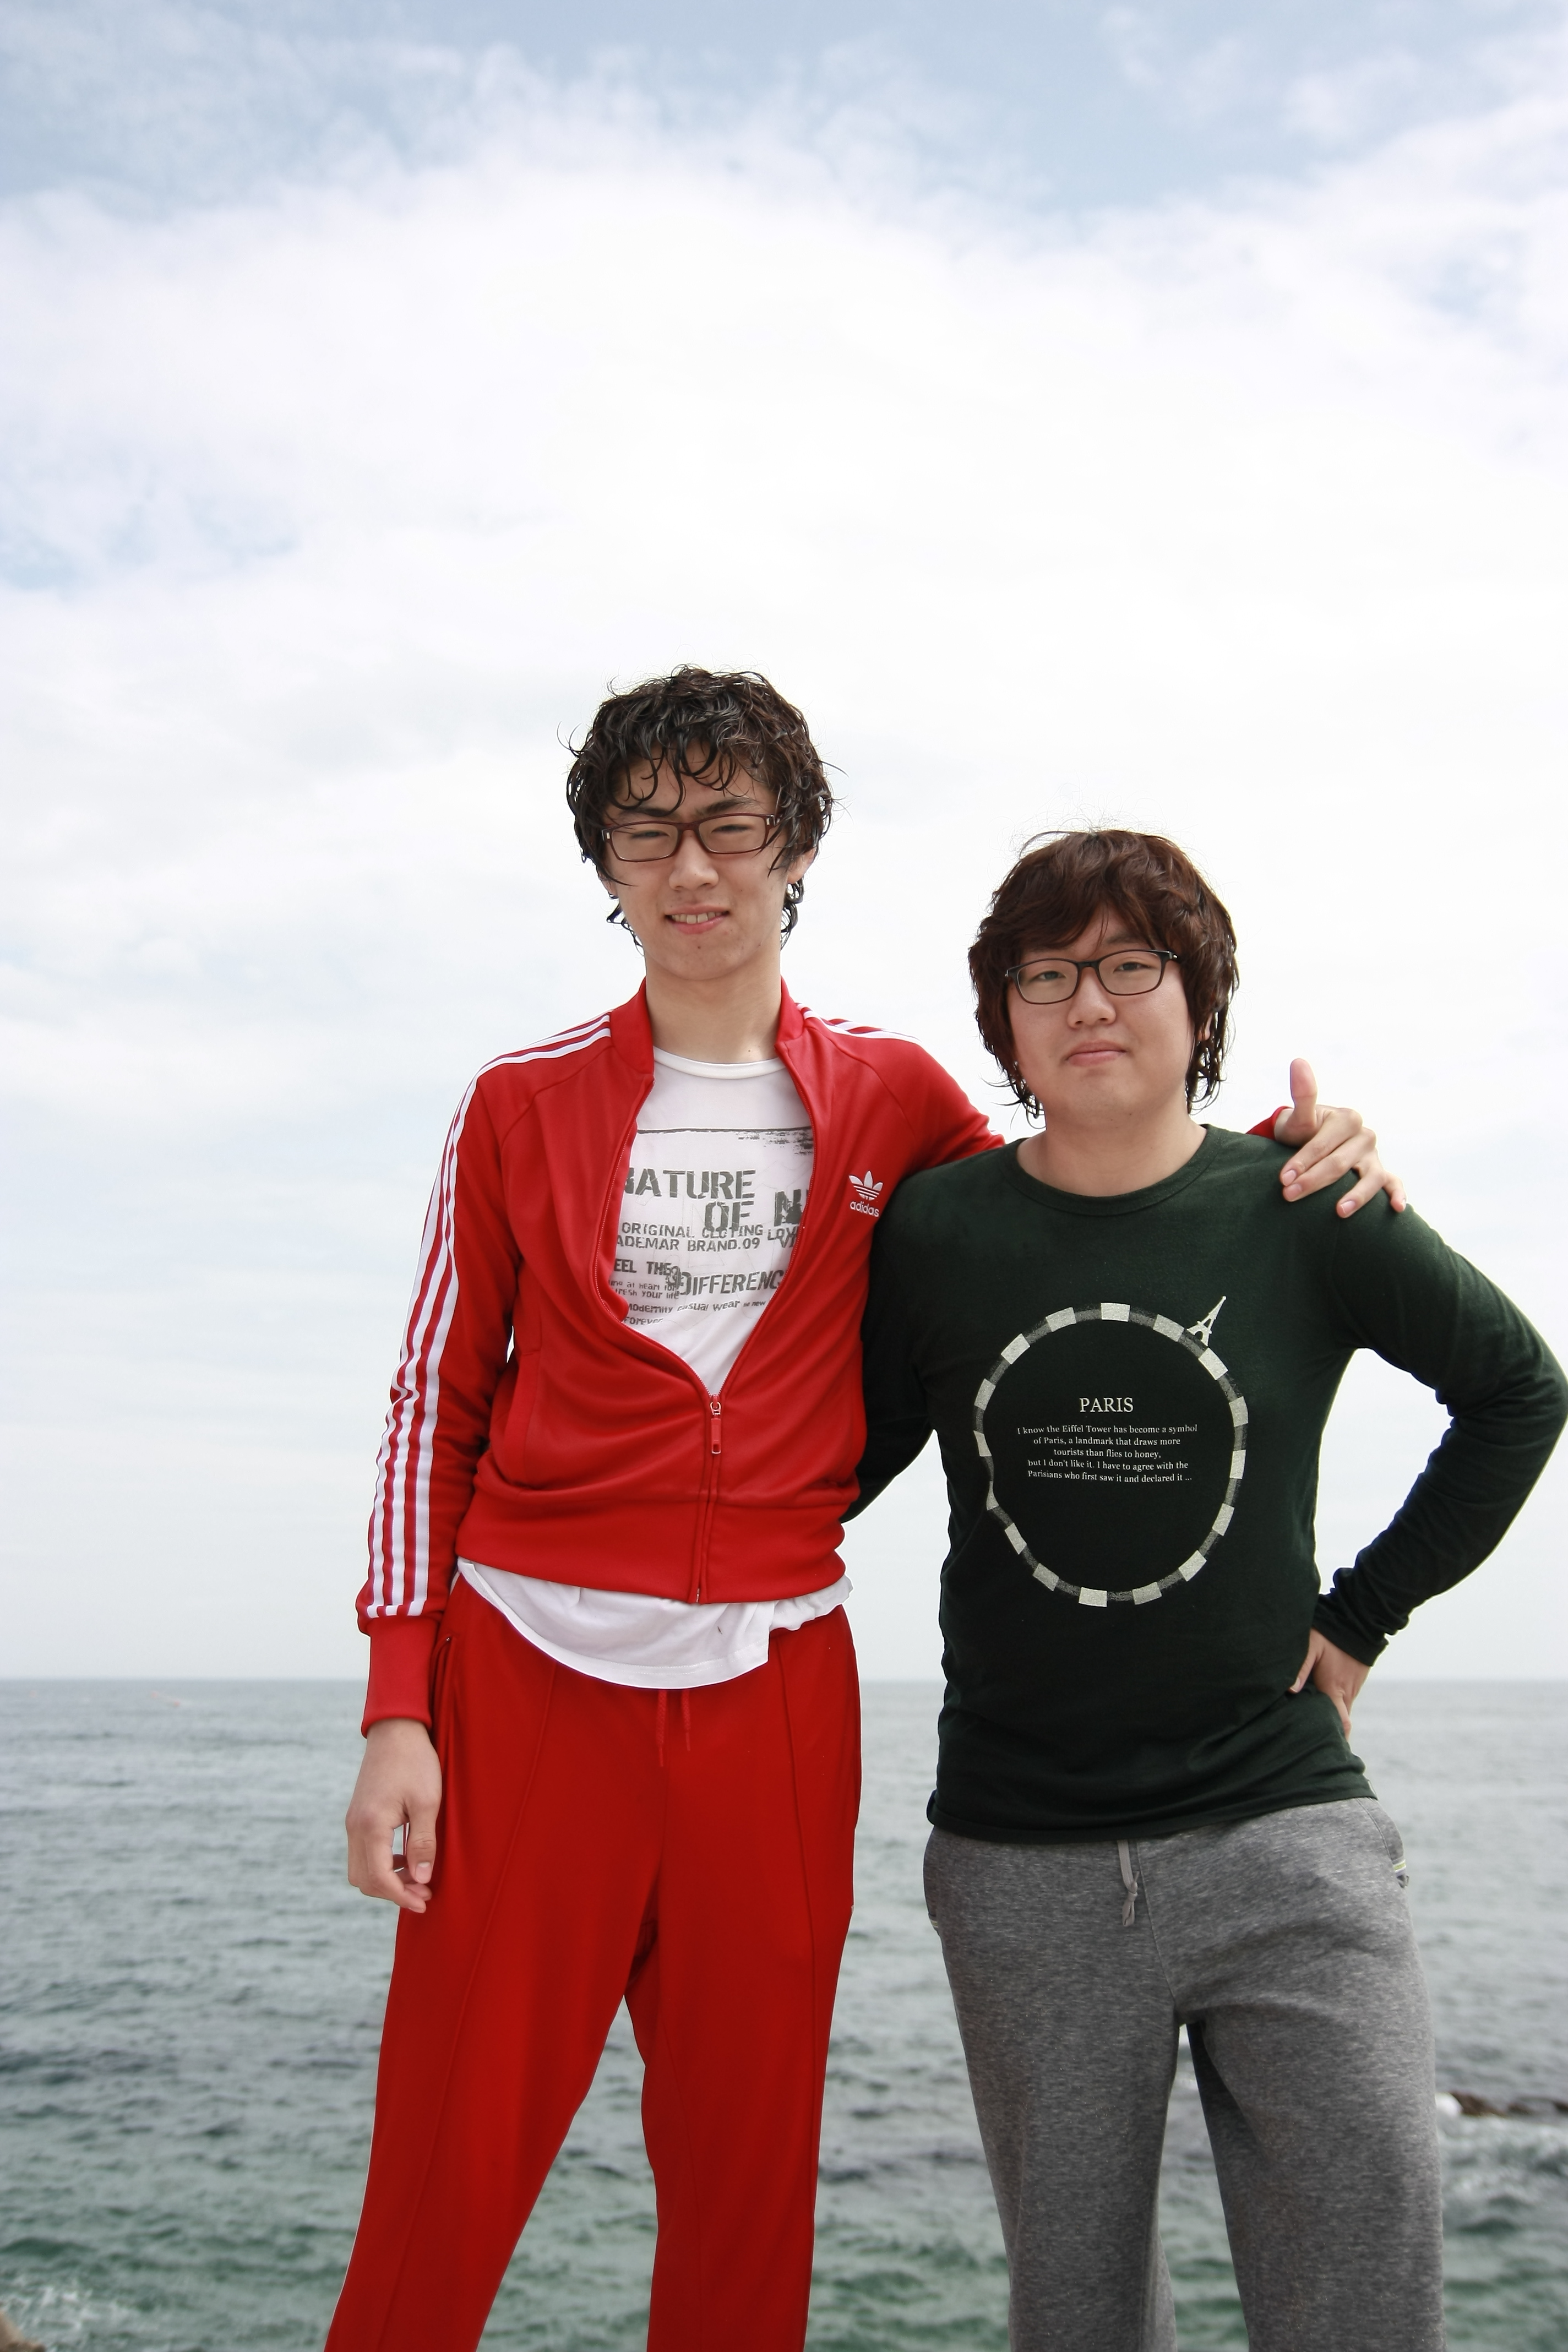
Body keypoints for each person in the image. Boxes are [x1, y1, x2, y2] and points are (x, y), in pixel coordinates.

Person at [326, 678, 1397, 2352]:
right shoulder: (517, 1102)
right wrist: (402, 1707)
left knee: (748, 2192)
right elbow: (430, 1409)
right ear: (605, 863)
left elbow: (1089, 1176)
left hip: (776, 1698)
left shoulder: (896, 1098)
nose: (694, 867)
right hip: (525, 1678)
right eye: (649, 832)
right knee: (441, 2184)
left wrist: (1282, 1156)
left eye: (731, 824)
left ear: (797, 849)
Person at [853, 827, 1567, 2352]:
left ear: (1200, 1001)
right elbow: (817, 1476)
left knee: (1365, 2296)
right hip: (1023, 1860)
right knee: (1081, 2318)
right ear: (1005, 1022)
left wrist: (1361, 1617)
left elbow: (1520, 1392)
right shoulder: (937, 1233)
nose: (1089, 1001)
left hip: (1282, 1838)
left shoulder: (1307, 1203)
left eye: (1131, 964)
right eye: (1047, 974)